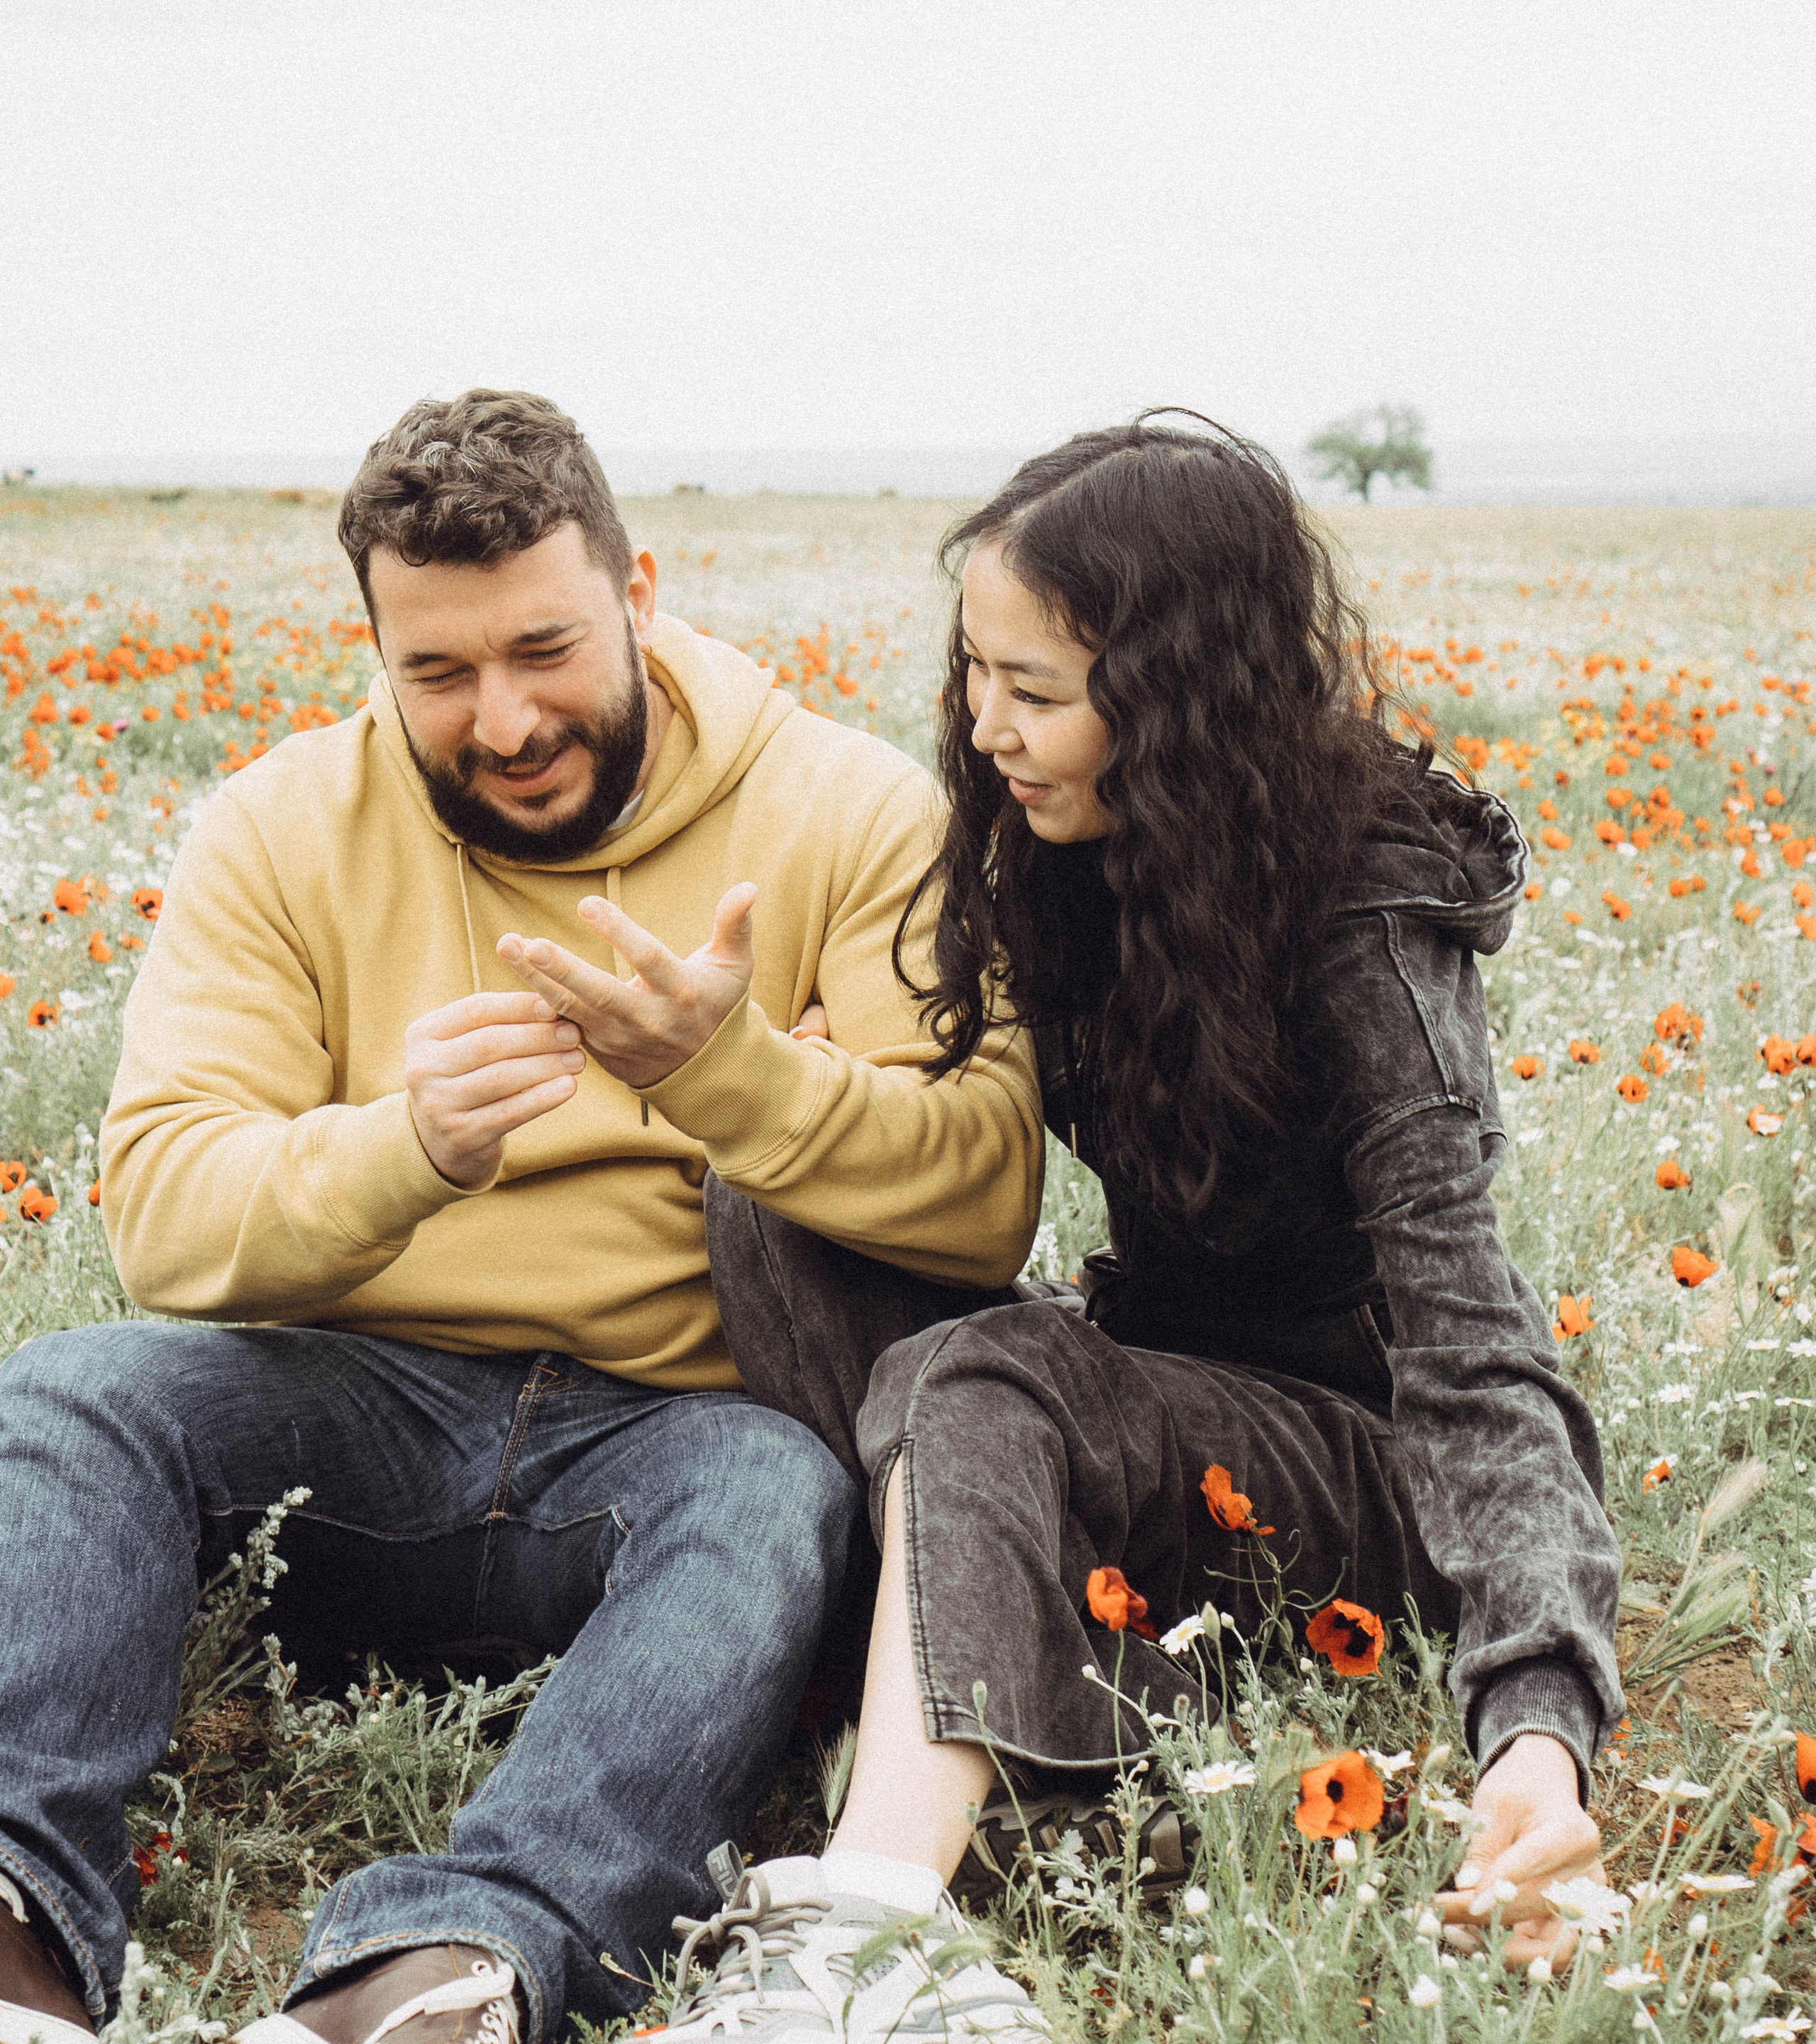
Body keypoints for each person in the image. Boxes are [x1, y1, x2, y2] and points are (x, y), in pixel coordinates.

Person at [0, 390, 1043, 2044]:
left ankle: (449, 1972)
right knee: (65, 1400)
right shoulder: (281, 827)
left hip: (678, 1436)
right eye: (438, 673)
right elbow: (166, 1218)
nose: (502, 720)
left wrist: (732, 1080)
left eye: (544, 649)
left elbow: (986, 1193)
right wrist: (403, 1147)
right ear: (376, 653)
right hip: (354, 1415)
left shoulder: (846, 812)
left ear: (638, 597)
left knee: (781, 1495)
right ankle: (19, 1936)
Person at [653, 414, 1622, 2043]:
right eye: (976, 673)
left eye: (1036, 694)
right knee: (772, 1197)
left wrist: (1534, 1724)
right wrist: (774, 1081)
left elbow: (1472, 1343)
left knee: (984, 1379)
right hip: (1149, 1384)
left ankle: (877, 1939)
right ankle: (966, 1674)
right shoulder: (1062, 852)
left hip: (1350, 1452)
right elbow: (935, 1135)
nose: (988, 727)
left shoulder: (1362, 914)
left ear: (1179, 700)